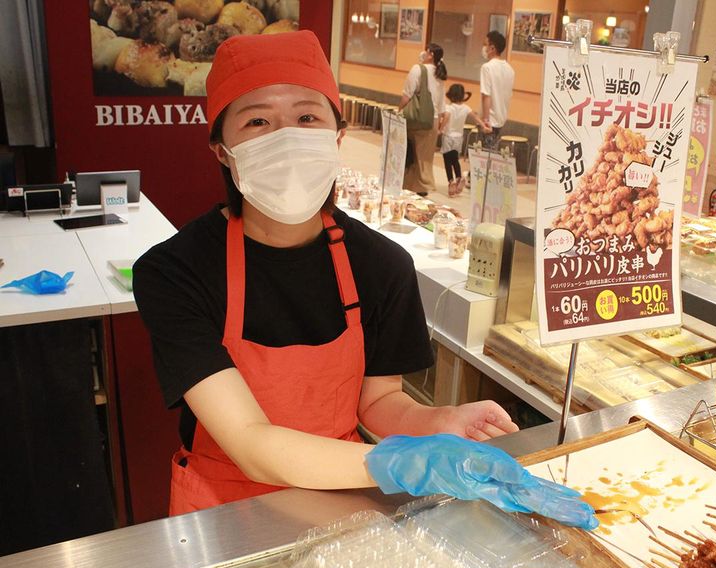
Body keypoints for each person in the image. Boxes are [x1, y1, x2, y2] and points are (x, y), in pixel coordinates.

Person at [133, 30, 596, 530]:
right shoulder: (176, 272)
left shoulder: (380, 264)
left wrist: (438, 423)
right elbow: (250, 441)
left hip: (339, 501)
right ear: (223, 150)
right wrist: (396, 462)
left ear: (337, 136)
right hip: (221, 511)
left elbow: (379, 402)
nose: (286, 137)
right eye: (258, 121)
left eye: (307, 117)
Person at [398, 43, 447, 196]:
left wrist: (399, 111)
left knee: (411, 154)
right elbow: (442, 104)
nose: (423, 53)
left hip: (417, 118)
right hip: (433, 121)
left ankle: (412, 187)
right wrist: (440, 125)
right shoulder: (440, 74)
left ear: (431, 54)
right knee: (425, 158)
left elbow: (407, 95)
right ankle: (421, 189)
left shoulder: (418, 69)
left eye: (426, 51)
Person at [439, 83, 487, 196]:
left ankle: (451, 181)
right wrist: (484, 126)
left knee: (447, 161)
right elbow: (475, 117)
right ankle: (459, 177)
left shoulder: (449, 107)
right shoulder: (466, 108)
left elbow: (446, 117)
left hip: (448, 137)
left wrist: (440, 129)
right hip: (459, 138)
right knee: (455, 159)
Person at [480, 30, 515, 148]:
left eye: (485, 44)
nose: (483, 48)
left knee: (483, 156)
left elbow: (486, 95)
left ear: (492, 48)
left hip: (489, 121)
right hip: (501, 120)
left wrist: (485, 121)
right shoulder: (510, 69)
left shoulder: (487, 68)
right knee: (493, 154)